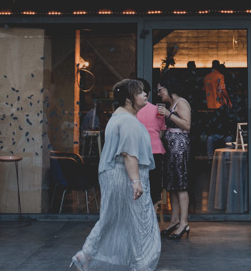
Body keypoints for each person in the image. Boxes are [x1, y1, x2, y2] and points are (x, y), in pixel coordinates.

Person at [71, 79, 160, 271]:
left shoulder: (117, 118)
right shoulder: (128, 121)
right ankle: (142, 264)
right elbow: (129, 153)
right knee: (141, 222)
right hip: (125, 176)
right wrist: (136, 181)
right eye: (140, 92)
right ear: (129, 99)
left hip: (115, 175)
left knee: (112, 218)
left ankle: (86, 254)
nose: (145, 95)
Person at [156, 76, 191, 240]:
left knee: (181, 185)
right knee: (172, 186)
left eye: (160, 90)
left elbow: (187, 125)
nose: (159, 93)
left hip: (179, 148)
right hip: (170, 149)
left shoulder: (181, 103)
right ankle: (174, 220)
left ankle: (184, 222)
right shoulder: (170, 105)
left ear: (168, 88)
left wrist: (169, 115)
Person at [135, 78, 166, 207]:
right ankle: (153, 214)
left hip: (138, 150)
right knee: (155, 184)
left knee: (139, 182)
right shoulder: (158, 109)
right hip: (155, 149)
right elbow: (161, 132)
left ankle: (140, 213)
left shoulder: (132, 111)